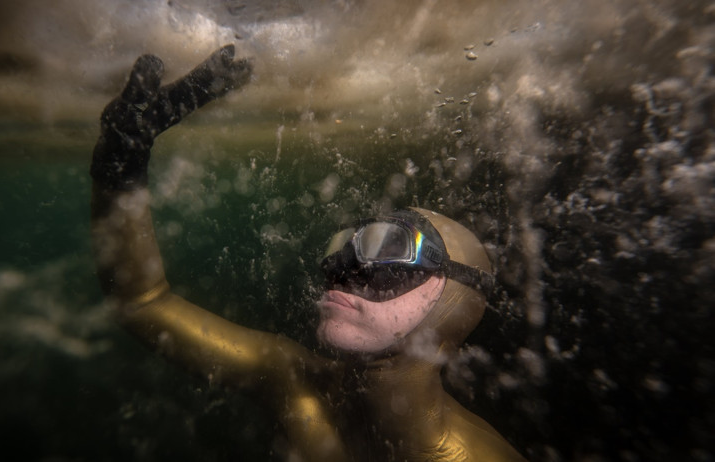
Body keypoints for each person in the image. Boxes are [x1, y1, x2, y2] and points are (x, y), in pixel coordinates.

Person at [90, 45, 527, 462]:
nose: (342, 268)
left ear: (455, 301)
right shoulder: (293, 382)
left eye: (388, 246)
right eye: (342, 245)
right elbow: (142, 305)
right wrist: (121, 165)